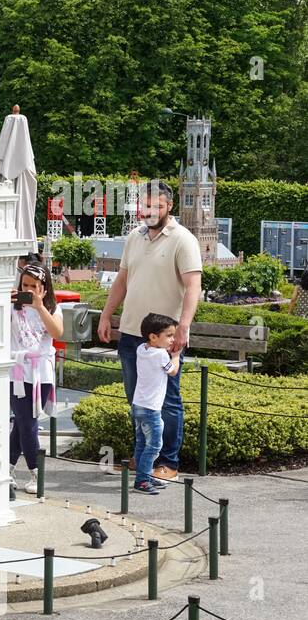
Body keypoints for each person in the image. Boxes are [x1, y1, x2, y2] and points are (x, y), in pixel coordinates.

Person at [97, 179, 201, 480]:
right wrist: (106, 315)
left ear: (169, 206)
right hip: (131, 333)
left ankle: (168, 462)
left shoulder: (183, 239)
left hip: (165, 338)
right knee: (138, 401)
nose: (151, 210)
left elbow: (194, 286)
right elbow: (122, 281)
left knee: (167, 401)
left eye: (158, 205)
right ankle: (144, 459)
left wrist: (183, 327)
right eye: (147, 205)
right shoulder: (134, 237)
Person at [9, 261, 62, 493]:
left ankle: (6, 469)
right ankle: (36, 471)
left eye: (33, 286)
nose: (28, 290)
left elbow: (57, 333)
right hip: (18, 372)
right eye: (25, 285)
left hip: (42, 370)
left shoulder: (51, 307)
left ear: (44, 286)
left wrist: (40, 307)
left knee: (22, 425)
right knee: (27, 423)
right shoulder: (11, 306)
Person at [131, 313, 182, 495]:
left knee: (141, 443)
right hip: (152, 409)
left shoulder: (141, 349)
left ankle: (144, 474)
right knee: (154, 445)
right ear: (153, 337)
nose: (172, 339)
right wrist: (175, 355)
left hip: (138, 405)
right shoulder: (161, 355)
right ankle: (142, 481)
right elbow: (173, 371)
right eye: (168, 336)